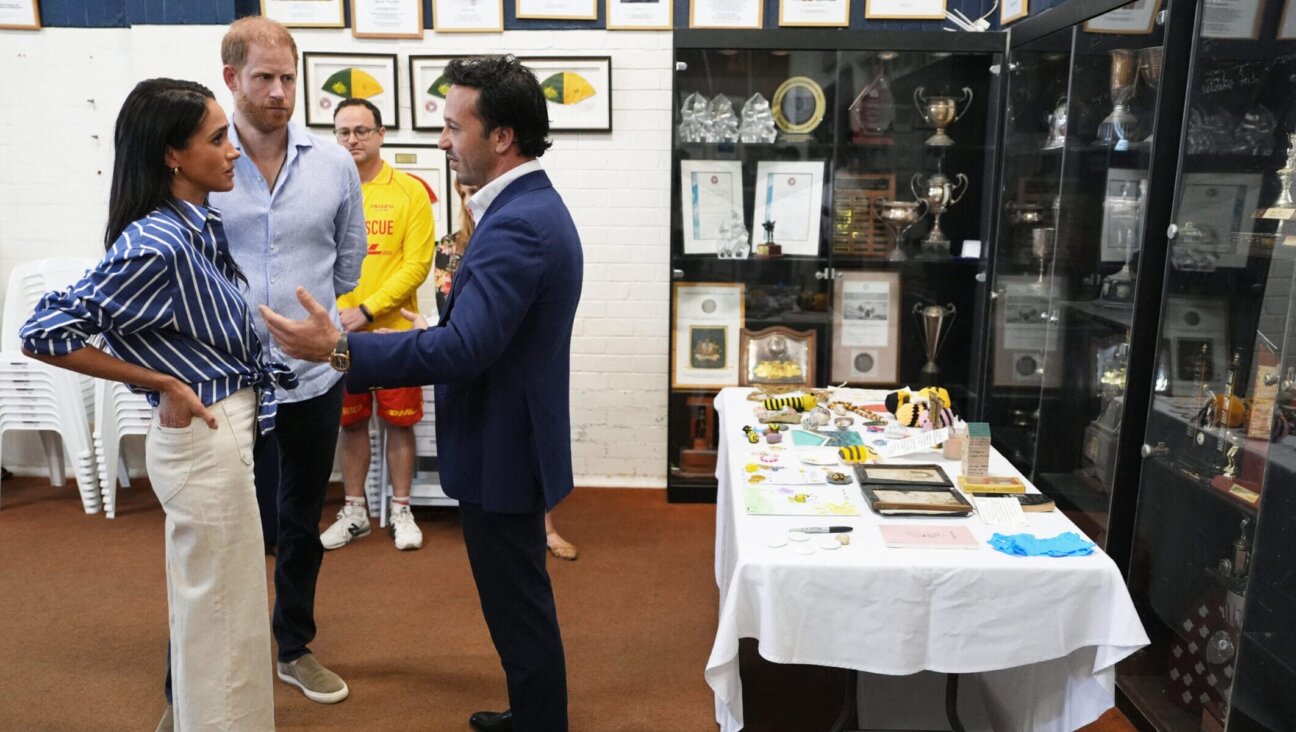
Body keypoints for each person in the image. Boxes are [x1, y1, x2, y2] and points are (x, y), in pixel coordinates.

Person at [262, 55, 582, 732]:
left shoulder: (519, 223)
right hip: (511, 434)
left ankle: (541, 723)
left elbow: (464, 349)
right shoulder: (519, 208)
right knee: (516, 597)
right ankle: (533, 712)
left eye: (452, 126)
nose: (441, 140)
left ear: (501, 138)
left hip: (505, 443)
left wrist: (341, 350)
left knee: (517, 601)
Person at [20, 78, 293, 732]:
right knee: (224, 615)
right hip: (204, 432)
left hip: (219, 431)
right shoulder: (159, 243)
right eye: (217, 139)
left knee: (218, 607)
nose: (234, 152)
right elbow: (44, 331)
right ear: (172, 155)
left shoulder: (191, 227)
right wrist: (163, 382)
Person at [200, 16, 367, 710]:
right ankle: (199, 669)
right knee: (219, 529)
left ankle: (294, 645)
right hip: (226, 380)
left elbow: (349, 258)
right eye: (263, 77)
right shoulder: (203, 161)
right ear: (232, 78)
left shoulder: (332, 164)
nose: (278, 91)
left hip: (310, 378)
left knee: (300, 520)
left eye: (289, 77)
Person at [439, 176, 580, 563]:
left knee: (514, 571)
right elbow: (452, 320)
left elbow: (467, 340)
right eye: (463, 195)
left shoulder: (512, 229)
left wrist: (349, 351)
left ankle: (546, 529)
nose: (469, 201)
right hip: (478, 393)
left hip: (503, 397)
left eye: (474, 194)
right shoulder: (450, 247)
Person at [320, 97, 435, 552]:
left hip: (392, 331)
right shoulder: (329, 190)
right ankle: (355, 511)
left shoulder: (410, 192)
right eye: (344, 132)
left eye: (362, 130)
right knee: (349, 424)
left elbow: (418, 264)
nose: (353, 139)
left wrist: (366, 310)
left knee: (398, 422)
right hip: (339, 330)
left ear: (381, 134)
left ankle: (401, 508)